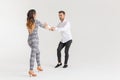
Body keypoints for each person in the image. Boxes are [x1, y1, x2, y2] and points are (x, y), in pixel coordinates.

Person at [26, 9, 49, 77]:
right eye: (35, 14)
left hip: (29, 40)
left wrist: (45, 25)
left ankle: (38, 66)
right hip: (34, 40)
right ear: (33, 15)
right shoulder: (35, 21)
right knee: (33, 55)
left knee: (37, 52)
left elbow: (30, 32)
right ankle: (31, 70)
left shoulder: (28, 22)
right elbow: (44, 27)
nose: (36, 15)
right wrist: (47, 25)